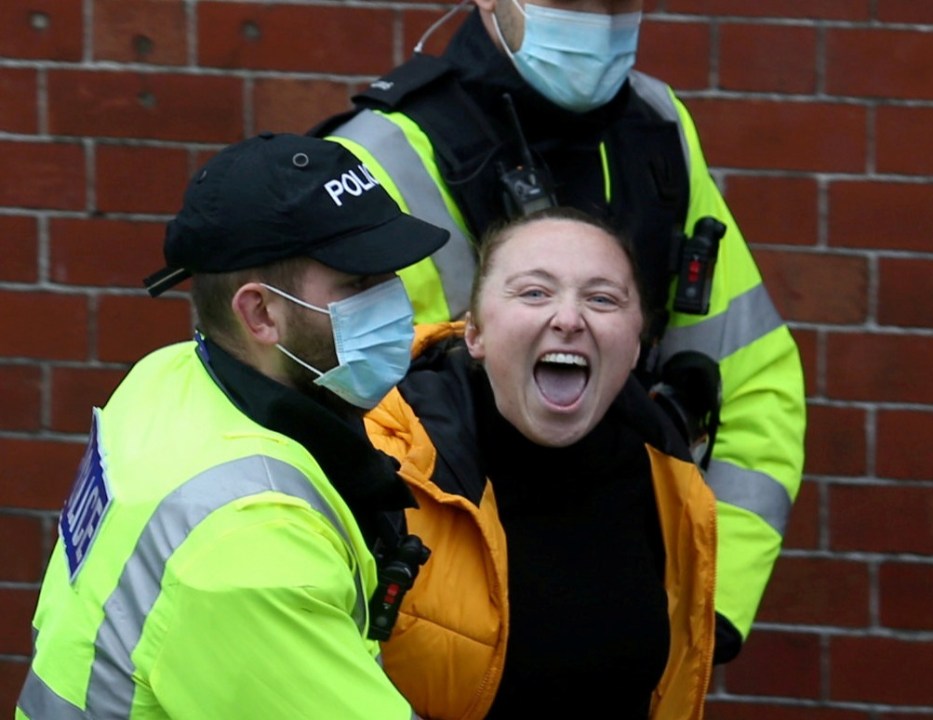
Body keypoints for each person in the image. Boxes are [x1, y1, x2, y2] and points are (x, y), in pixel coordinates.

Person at [309, 0, 806, 663]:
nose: (599, 21)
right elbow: (329, 428)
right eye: (573, 3)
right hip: (437, 642)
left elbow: (749, 375)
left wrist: (711, 604)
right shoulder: (377, 158)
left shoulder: (657, 127)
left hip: (628, 612)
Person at [15, 132, 450, 720]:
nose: (395, 302)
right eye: (358, 284)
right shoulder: (251, 548)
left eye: (390, 275)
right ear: (260, 312)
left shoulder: (166, 376)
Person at [364, 206, 717, 719]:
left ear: (637, 341)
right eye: (534, 292)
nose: (569, 319)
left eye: (602, 298)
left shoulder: (671, 477)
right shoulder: (380, 462)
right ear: (475, 333)